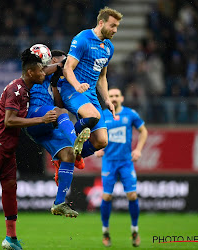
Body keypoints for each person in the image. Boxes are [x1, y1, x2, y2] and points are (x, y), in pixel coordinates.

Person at [0, 47, 59, 250]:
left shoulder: (24, 86)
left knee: (10, 189)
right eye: (41, 71)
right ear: (31, 72)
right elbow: (8, 121)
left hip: (6, 148)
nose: (44, 73)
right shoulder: (17, 89)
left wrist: (63, 64)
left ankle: (11, 239)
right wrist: (41, 119)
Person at [25, 49, 90, 218]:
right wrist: (64, 63)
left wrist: (54, 85)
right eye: (60, 61)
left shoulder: (53, 81)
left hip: (47, 124)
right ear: (52, 59)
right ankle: (76, 142)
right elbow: (46, 69)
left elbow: (60, 105)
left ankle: (59, 203)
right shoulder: (36, 71)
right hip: (34, 115)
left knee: (68, 154)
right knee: (60, 112)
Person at [58, 7, 123, 159]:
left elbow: (102, 77)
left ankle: (73, 158)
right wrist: (77, 85)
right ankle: (65, 145)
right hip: (72, 90)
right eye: (112, 26)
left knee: (102, 141)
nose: (115, 30)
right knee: (93, 115)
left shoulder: (109, 48)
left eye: (117, 27)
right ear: (101, 23)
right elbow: (67, 68)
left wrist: (107, 99)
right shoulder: (83, 39)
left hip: (91, 95)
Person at [94, 87, 148, 247]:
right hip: (109, 161)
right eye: (111, 96)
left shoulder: (130, 114)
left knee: (132, 195)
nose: (114, 98)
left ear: (122, 98)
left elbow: (143, 131)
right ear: (107, 98)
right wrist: (96, 147)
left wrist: (138, 150)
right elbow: (92, 132)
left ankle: (135, 230)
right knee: (107, 197)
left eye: (117, 95)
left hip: (126, 162)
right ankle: (105, 232)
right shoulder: (102, 115)